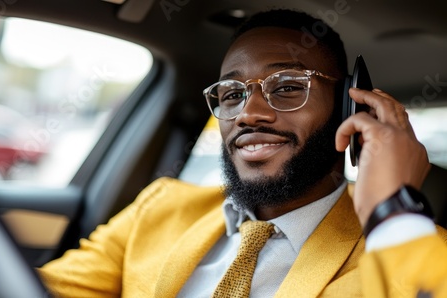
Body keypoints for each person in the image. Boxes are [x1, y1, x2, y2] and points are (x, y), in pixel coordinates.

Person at [37, 9, 447, 297]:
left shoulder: (401, 242)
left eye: (287, 86)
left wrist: (392, 210)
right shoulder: (160, 207)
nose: (248, 113)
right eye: (232, 94)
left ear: (349, 109)